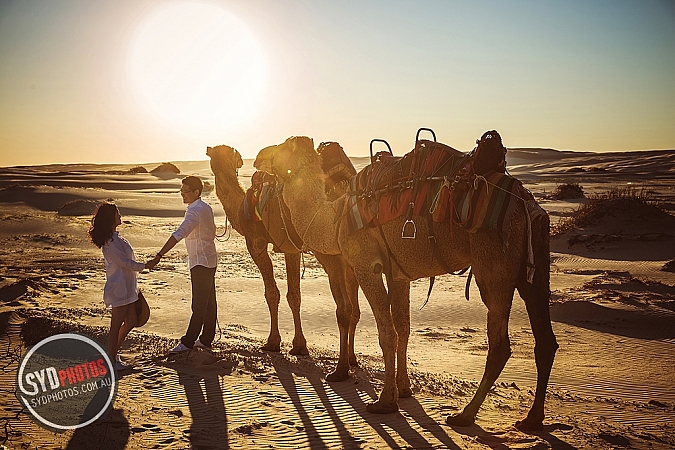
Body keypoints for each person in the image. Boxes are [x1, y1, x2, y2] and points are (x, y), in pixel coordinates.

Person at [149, 176, 218, 353]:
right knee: (209, 303)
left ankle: (188, 342)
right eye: (181, 191)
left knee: (199, 305)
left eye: (185, 191)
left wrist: (159, 255)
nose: (183, 195)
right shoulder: (206, 207)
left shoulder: (195, 211)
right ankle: (206, 339)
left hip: (200, 262)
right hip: (209, 259)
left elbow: (179, 233)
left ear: (196, 192)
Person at [88, 202, 154, 371]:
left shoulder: (117, 239)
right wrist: (145, 266)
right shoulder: (109, 244)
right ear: (111, 218)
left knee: (131, 321)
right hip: (118, 289)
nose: (120, 216)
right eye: (117, 213)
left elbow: (127, 262)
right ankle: (111, 360)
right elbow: (125, 263)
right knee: (116, 324)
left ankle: (112, 355)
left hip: (128, 288)